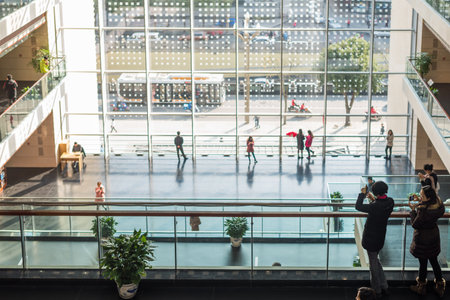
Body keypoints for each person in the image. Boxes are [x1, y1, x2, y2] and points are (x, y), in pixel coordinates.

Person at [355, 181, 394, 298]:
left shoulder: (374, 206)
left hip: (370, 239)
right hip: (380, 237)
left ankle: (377, 290)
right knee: (376, 261)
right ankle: (384, 286)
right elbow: (379, 206)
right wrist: (374, 199)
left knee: (373, 266)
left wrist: (362, 194)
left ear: (375, 192)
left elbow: (358, 206)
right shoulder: (390, 202)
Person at [409, 185, 445, 297]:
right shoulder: (438, 205)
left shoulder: (422, 210)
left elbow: (415, 224)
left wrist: (413, 210)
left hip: (422, 239)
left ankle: (421, 287)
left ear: (428, 198)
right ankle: (440, 286)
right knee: (434, 261)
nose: (420, 196)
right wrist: (421, 201)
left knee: (423, 263)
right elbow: (430, 207)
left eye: (422, 195)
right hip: (433, 236)